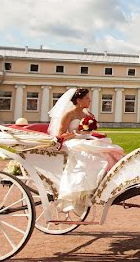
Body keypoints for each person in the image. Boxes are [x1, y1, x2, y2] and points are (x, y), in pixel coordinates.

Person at [51, 88, 124, 217]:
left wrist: (95, 133)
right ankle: (83, 191)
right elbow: (60, 135)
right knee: (89, 155)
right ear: (79, 100)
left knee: (109, 150)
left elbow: (88, 133)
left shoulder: (88, 114)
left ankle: (106, 183)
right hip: (72, 142)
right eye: (87, 98)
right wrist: (76, 133)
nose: (89, 100)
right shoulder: (69, 114)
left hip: (86, 140)